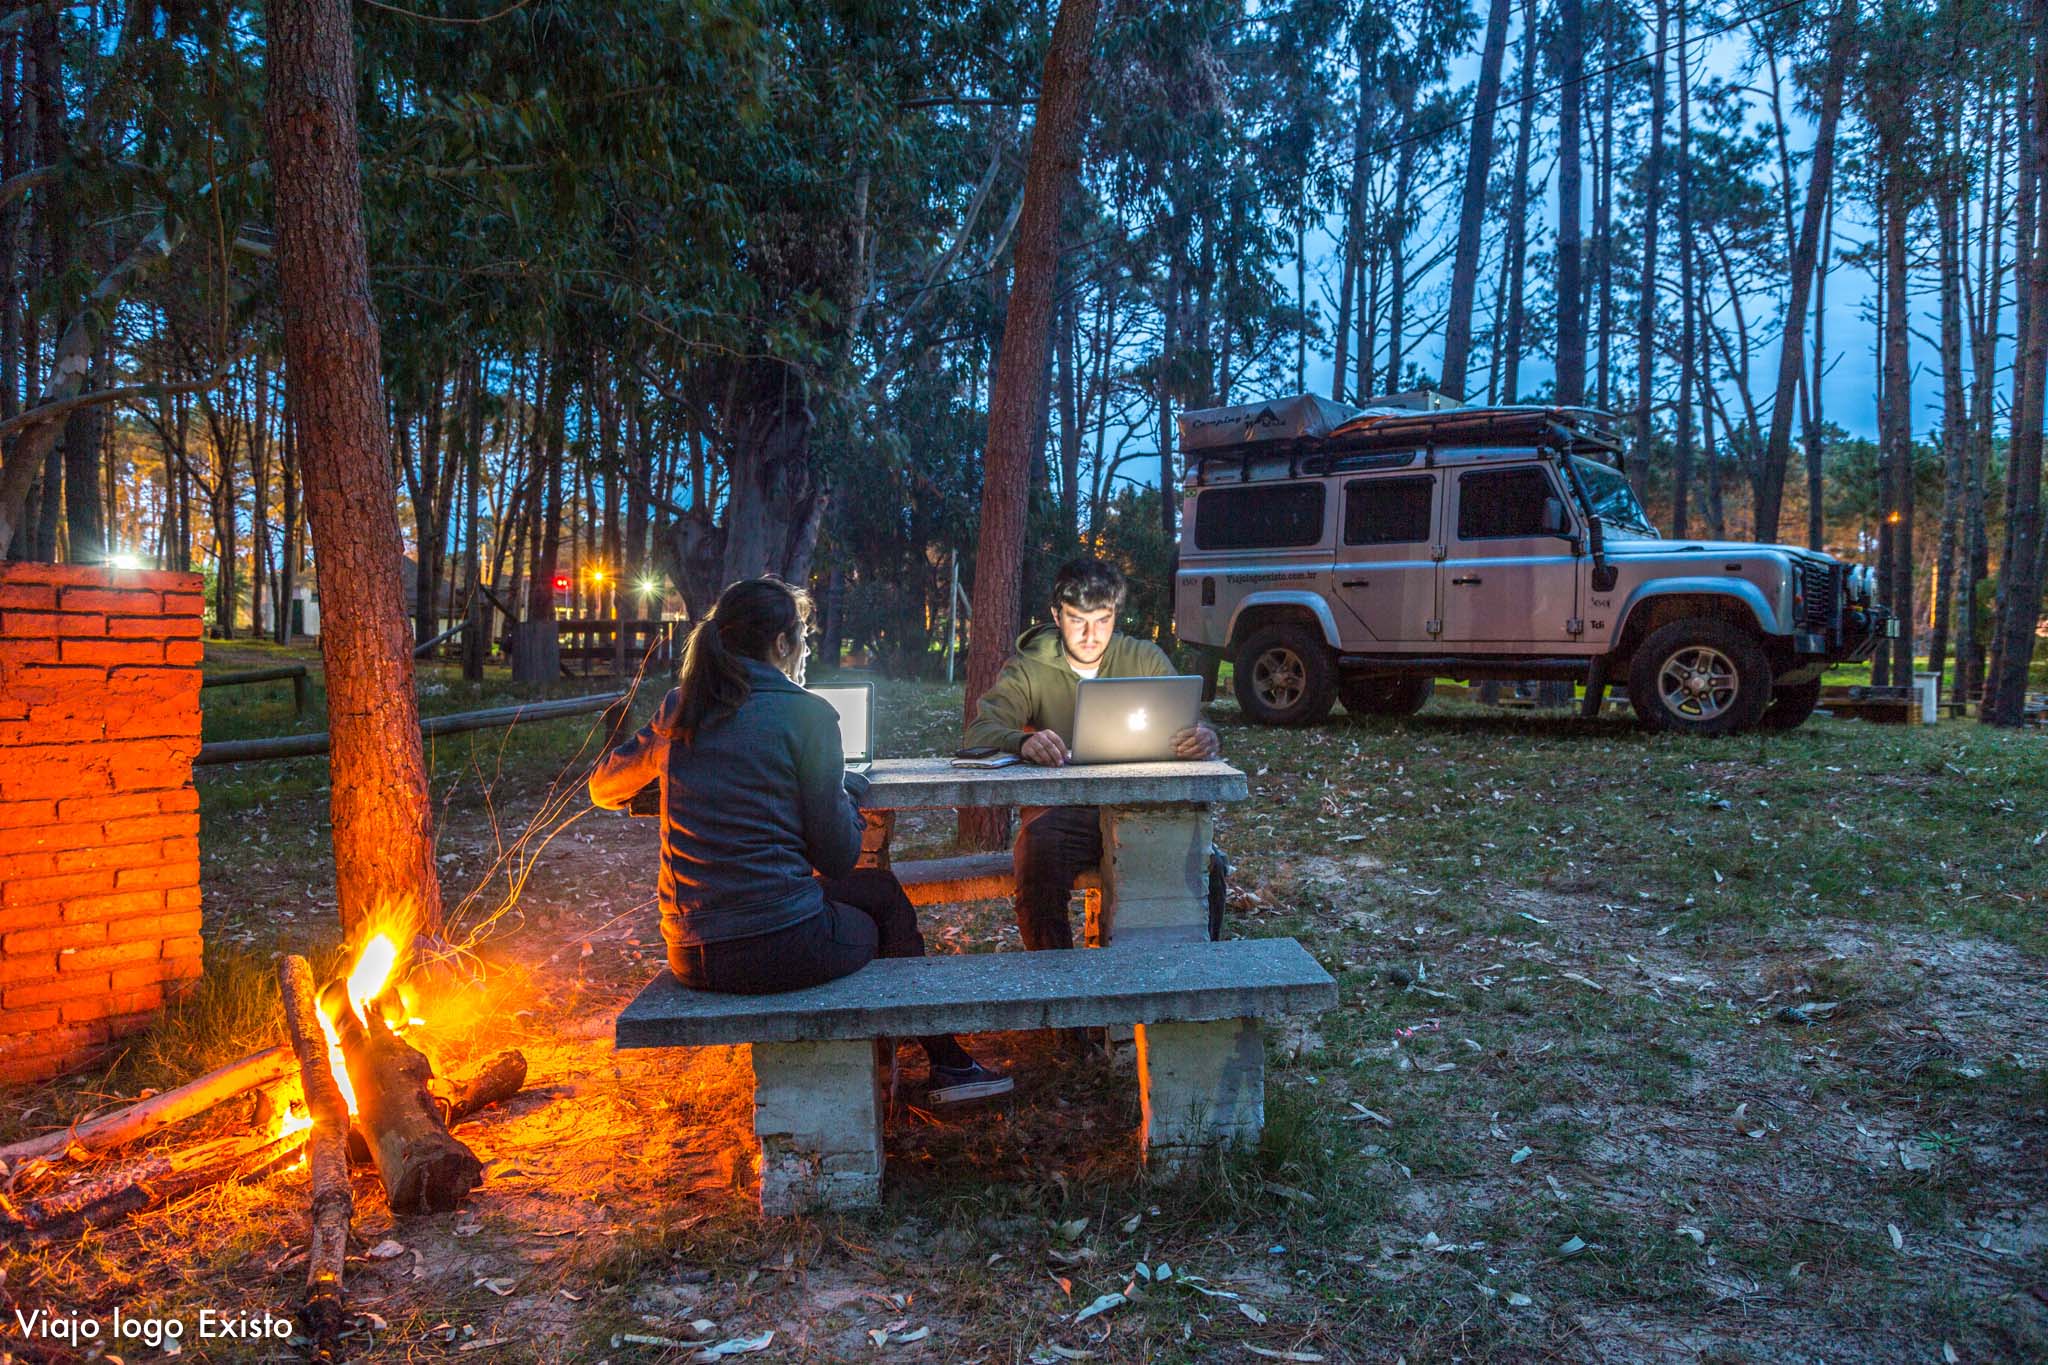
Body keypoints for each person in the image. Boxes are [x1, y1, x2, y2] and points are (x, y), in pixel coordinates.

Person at [591, 576, 1009, 1105]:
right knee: (882, 905)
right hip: (778, 949)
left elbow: (604, 786)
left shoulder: (681, 708)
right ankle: (942, 1061)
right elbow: (836, 859)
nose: (806, 649)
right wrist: (844, 792)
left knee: (876, 894)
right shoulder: (808, 713)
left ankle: (906, 1057)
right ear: (784, 645)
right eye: (805, 638)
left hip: (692, 952)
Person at [963, 557, 1223, 952]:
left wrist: (1205, 737)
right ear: (1055, 614)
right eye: (1077, 620)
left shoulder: (1143, 658)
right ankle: (1061, 989)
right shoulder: (1028, 668)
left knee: (1211, 866)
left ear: (1115, 614)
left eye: (1102, 620)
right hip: (1061, 810)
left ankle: (1190, 981)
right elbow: (979, 733)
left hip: (1141, 805)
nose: (1090, 635)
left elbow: (1193, 721)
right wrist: (1022, 741)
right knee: (1036, 860)